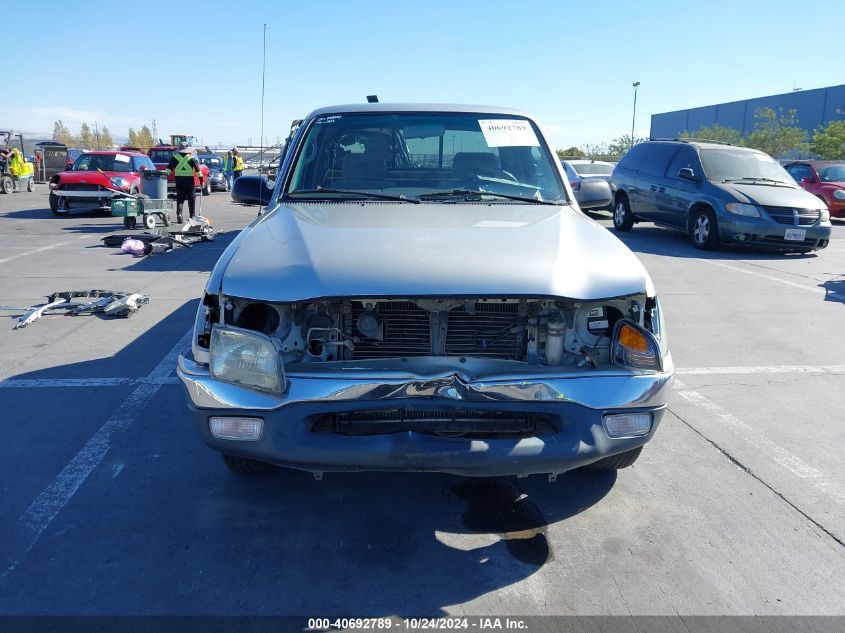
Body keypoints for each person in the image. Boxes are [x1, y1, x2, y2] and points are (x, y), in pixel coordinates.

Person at [165, 141, 204, 223]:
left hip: (179, 180)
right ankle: (192, 216)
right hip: (189, 181)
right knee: (191, 198)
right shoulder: (191, 158)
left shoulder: (174, 158)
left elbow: (168, 170)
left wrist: (162, 175)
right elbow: (198, 171)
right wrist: (201, 181)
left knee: (180, 198)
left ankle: (179, 214)